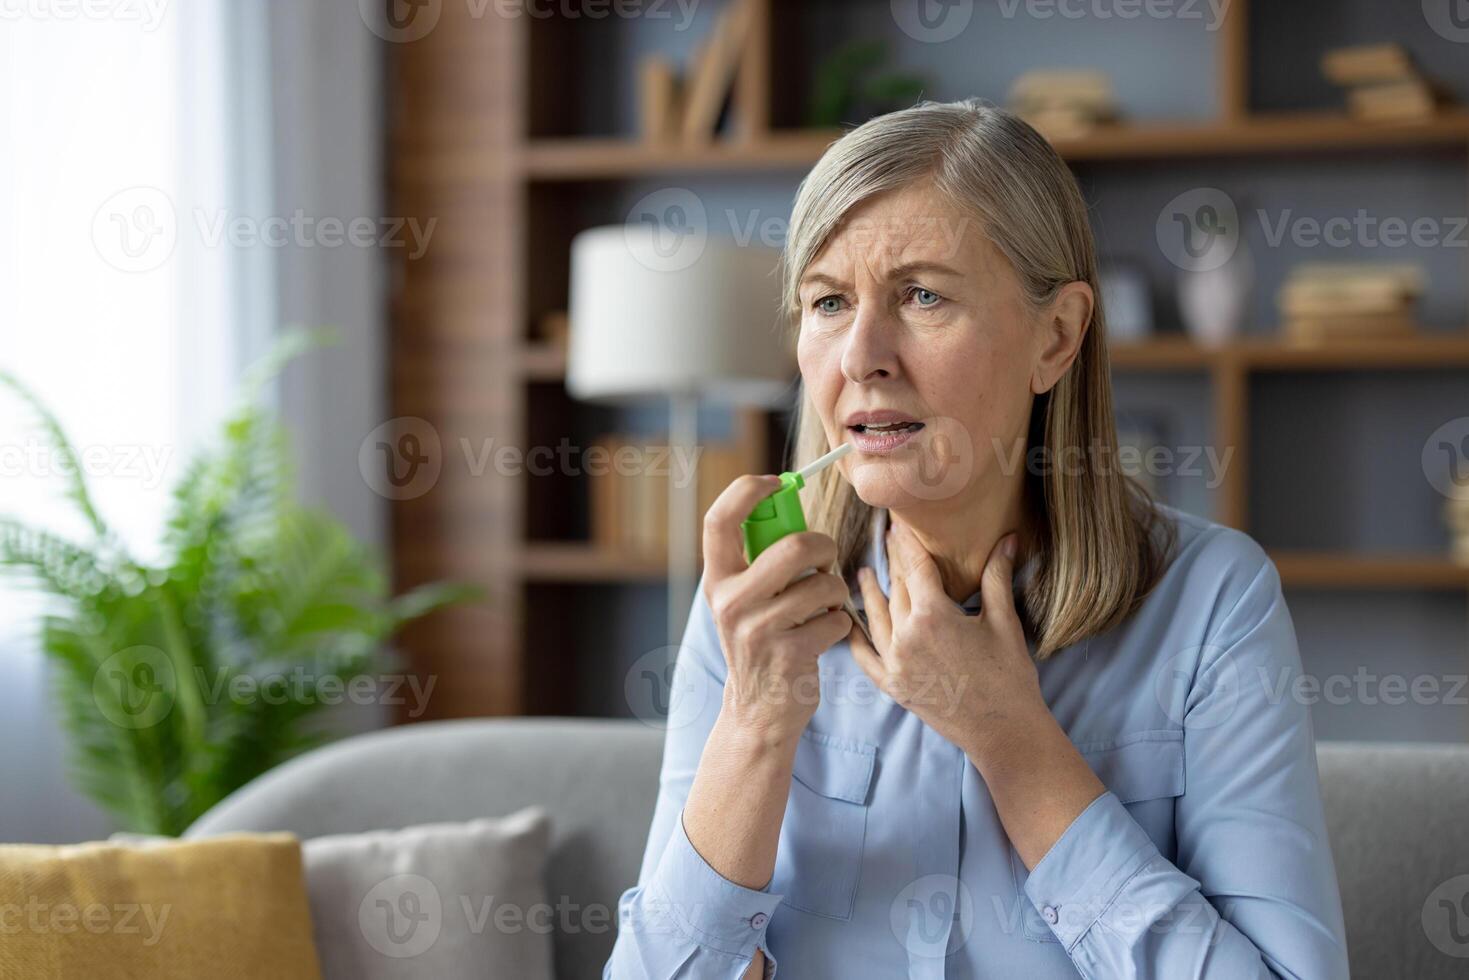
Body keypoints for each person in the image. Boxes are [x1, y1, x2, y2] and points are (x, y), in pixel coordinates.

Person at [604, 98, 1349, 979]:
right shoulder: (758, 603)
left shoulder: (1213, 601)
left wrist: (1010, 740)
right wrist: (757, 721)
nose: (860, 357)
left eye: (922, 295)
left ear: (1056, 336)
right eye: (829, 301)